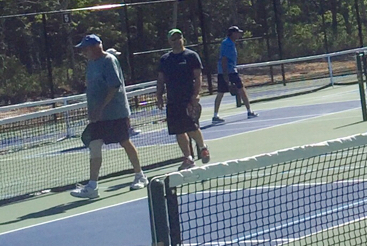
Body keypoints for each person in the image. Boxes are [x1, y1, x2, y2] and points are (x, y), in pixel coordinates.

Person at [70, 34, 147, 199]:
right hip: (98, 116)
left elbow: (114, 86)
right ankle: (92, 186)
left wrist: (101, 107)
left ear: (95, 47)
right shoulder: (91, 64)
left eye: (86, 48)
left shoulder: (109, 61)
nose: (83, 52)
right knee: (95, 145)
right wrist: (92, 110)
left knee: (125, 141)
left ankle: (140, 176)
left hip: (116, 113)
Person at [156, 29, 211, 170]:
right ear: (169, 42)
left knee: (191, 128)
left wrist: (196, 94)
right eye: (173, 39)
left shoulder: (191, 56)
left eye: (178, 37)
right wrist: (159, 96)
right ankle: (188, 158)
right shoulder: (165, 59)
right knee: (178, 131)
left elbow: (198, 77)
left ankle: (203, 148)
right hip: (172, 100)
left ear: (183, 39)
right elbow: (161, 80)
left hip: (188, 99)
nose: (176, 41)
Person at [212, 26, 257, 124]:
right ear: (232, 33)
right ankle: (215, 116)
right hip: (227, 72)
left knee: (241, 89)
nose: (239, 34)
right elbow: (224, 60)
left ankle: (249, 111)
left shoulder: (231, 43)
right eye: (237, 33)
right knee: (220, 93)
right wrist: (225, 76)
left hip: (232, 70)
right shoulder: (226, 43)